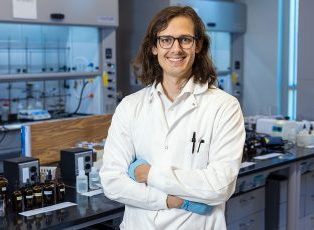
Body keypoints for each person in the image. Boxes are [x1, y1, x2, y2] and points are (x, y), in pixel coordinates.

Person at [100, 5, 245, 230]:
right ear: (154, 48)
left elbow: (219, 187)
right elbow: (112, 182)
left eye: (185, 39)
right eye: (166, 39)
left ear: (198, 45)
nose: (175, 49)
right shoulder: (130, 106)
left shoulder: (224, 107)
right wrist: (170, 200)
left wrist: (149, 174)